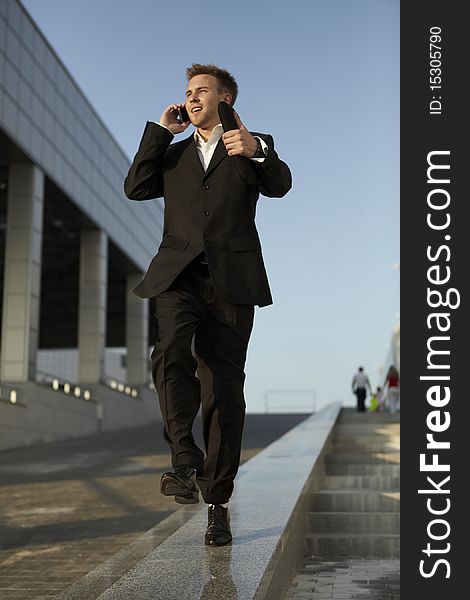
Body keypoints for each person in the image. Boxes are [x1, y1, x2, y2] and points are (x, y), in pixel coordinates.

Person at [123, 64, 292, 546]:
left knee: (222, 389)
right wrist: (159, 132)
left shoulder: (249, 142)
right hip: (177, 275)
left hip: (232, 282)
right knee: (169, 353)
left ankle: (217, 501)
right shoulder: (172, 157)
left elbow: (280, 184)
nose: (192, 98)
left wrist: (258, 153)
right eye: (187, 93)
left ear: (226, 98)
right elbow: (135, 187)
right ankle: (183, 462)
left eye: (201, 92)